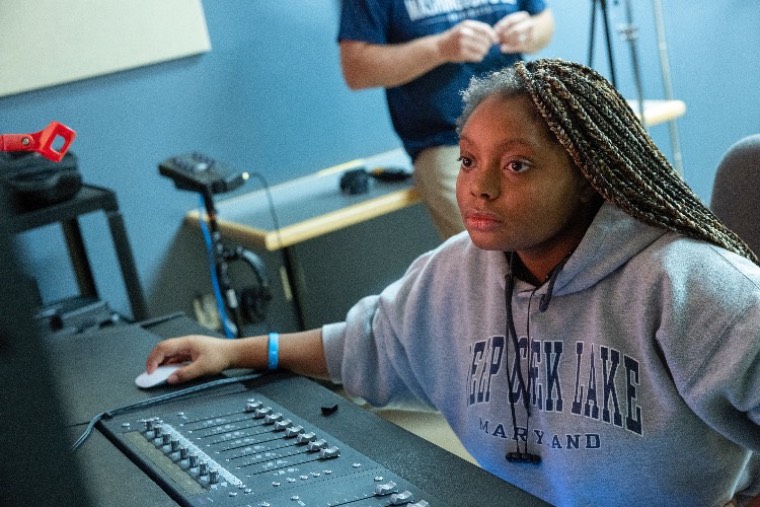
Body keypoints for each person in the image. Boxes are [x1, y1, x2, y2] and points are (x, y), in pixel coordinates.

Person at [146, 59, 760, 506]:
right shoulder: (456, 270)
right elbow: (370, 344)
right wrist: (236, 352)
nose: (480, 187)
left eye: (516, 165)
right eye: (468, 159)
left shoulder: (692, 285)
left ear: (591, 176)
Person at [338, 0, 554, 239]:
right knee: (498, 248)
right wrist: (440, 48)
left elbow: (544, 22)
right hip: (448, 142)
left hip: (527, 121)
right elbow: (356, 68)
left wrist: (529, 32)